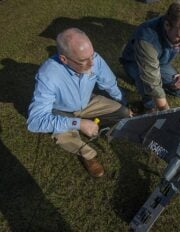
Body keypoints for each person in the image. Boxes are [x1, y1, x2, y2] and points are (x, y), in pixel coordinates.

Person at [27, 28, 132, 178]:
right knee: (64, 135)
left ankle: (97, 127)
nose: (91, 63)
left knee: (123, 113)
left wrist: (124, 101)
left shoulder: (93, 59)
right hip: (60, 110)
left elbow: (109, 83)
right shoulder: (47, 75)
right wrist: (78, 123)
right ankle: (88, 155)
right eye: (83, 61)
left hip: (88, 101)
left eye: (92, 55)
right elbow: (35, 121)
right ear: (64, 59)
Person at [120, 0, 180, 112]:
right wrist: (165, 111)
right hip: (135, 62)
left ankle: (155, 92)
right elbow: (152, 83)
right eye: (179, 37)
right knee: (147, 85)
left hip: (160, 63)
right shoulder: (147, 39)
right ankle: (148, 106)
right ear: (167, 25)